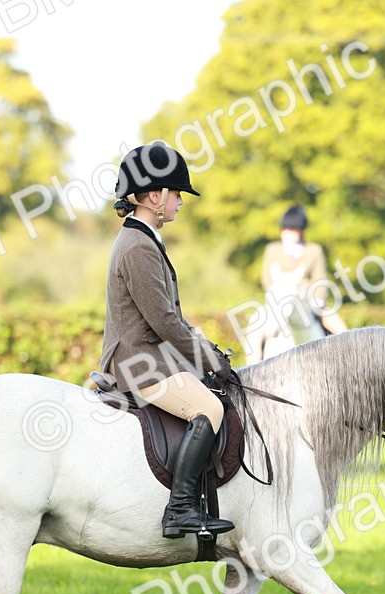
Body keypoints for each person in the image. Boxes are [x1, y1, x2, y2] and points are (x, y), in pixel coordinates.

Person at [100, 142, 235, 540]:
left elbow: (170, 316)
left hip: (149, 356)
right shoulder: (138, 246)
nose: (179, 201)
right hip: (140, 362)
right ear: (155, 197)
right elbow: (163, 321)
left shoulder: (143, 238)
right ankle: (179, 510)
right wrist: (209, 360)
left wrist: (203, 345)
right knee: (209, 408)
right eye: (176, 193)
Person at [258, 204, 347, 359]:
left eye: (294, 229)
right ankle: (251, 365)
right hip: (279, 298)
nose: (289, 233)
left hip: (307, 297)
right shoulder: (272, 249)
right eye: (286, 229)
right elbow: (266, 278)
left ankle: (348, 351)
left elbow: (320, 277)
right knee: (255, 329)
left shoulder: (313, 250)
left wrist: (318, 300)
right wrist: (275, 296)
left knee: (338, 325)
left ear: (301, 230)